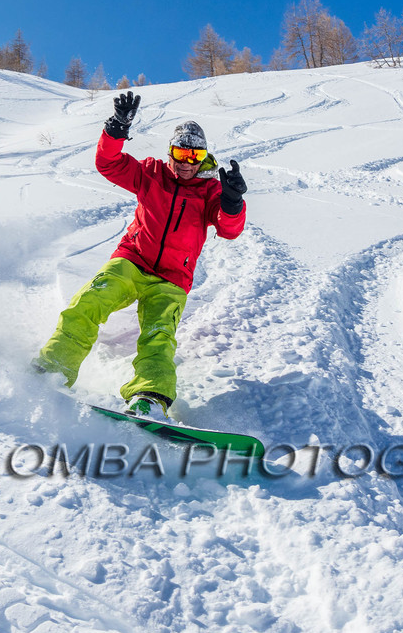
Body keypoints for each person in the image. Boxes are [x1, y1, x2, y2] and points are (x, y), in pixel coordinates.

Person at [37, 91, 248, 419]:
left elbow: (229, 229)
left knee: (159, 336)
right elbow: (108, 163)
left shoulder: (211, 192)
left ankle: (150, 396)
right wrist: (116, 128)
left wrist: (233, 203)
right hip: (132, 261)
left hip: (172, 280)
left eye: (194, 156)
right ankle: (52, 370)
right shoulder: (151, 173)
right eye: (180, 153)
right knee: (87, 304)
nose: (185, 163)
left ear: (203, 157)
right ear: (170, 152)